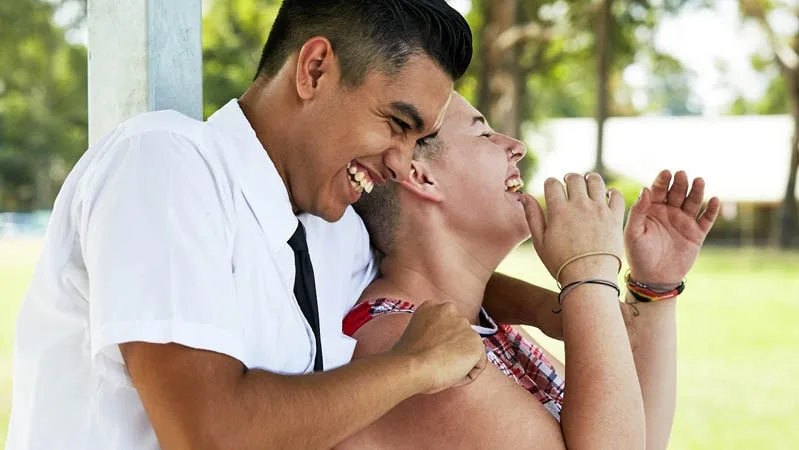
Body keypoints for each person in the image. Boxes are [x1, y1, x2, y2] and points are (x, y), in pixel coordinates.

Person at [5, 2, 577, 449]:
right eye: (396, 123)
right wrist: (413, 366)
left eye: (417, 138)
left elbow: (421, 271)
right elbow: (210, 435)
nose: (403, 162)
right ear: (315, 69)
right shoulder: (165, 165)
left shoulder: (330, 225)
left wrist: (558, 308)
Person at [339, 93, 721, 449]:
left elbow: (637, 435)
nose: (516, 146)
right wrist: (587, 271)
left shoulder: (478, 323)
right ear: (421, 176)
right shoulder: (407, 345)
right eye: (483, 132)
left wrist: (654, 287)